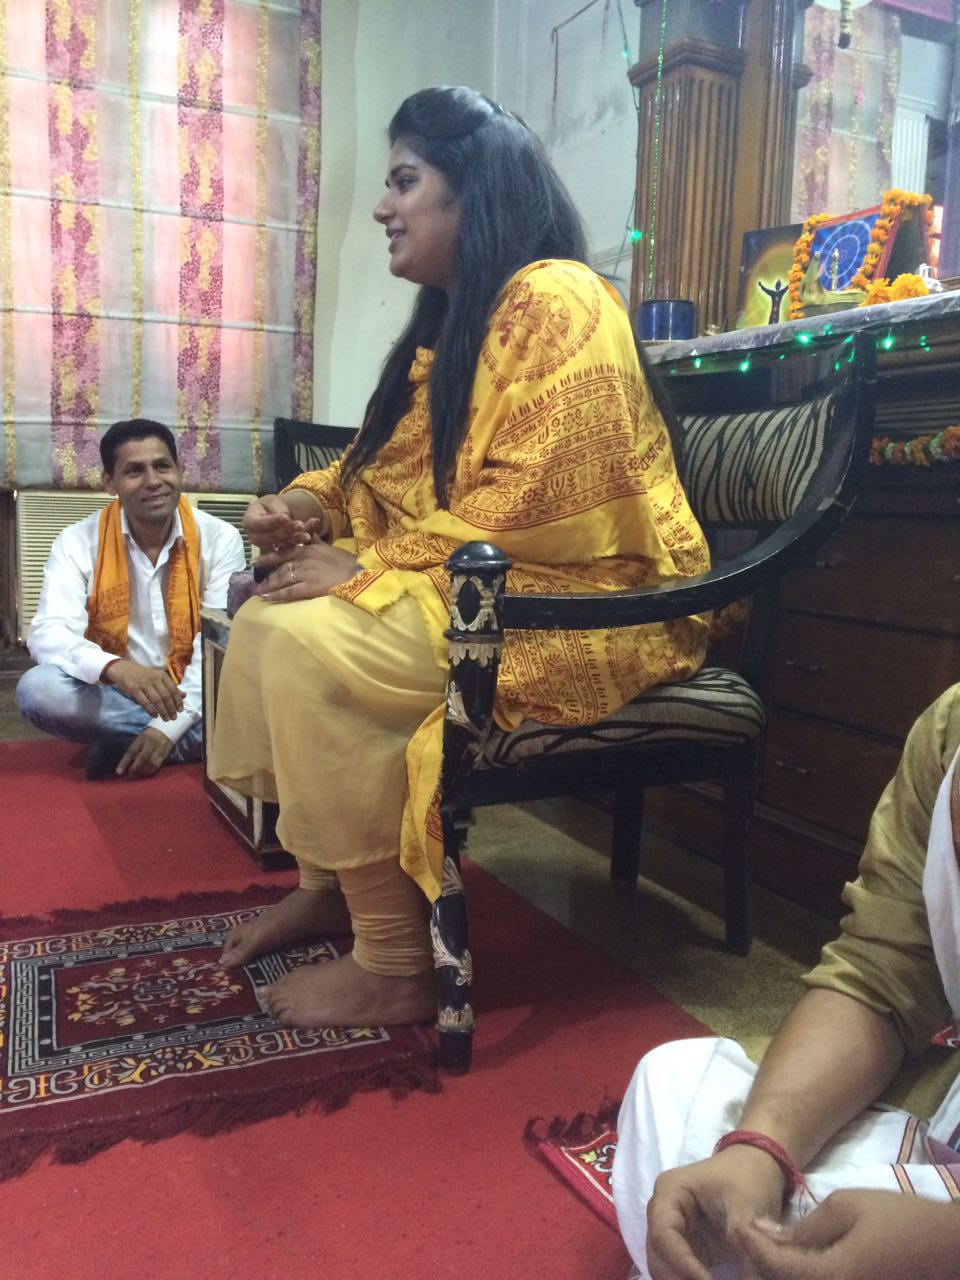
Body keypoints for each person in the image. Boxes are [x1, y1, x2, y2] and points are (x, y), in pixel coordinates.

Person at [207, 85, 710, 1031]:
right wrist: (302, 509)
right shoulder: (452, 323)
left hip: (575, 601)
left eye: (404, 181)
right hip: (479, 582)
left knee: (316, 645)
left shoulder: (558, 296)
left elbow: (543, 502)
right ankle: (331, 887)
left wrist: (367, 572)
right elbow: (374, 473)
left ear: (472, 189)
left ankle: (396, 964)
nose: (381, 207)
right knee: (272, 617)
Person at [611, 683, 960, 1280]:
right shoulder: (950, 728)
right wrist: (761, 1148)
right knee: (671, 1086)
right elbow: (882, 972)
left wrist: (942, 1250)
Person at [17, 419, 245, 780]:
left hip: (197, 690)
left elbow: (217, 644)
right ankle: (197, 742)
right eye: (134, 471)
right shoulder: (77, 542)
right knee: (38, 690)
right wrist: (115, 668)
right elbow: (48, 631)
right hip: (121, 692)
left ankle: (147, 742)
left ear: (179, 470)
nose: (153, 481)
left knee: (258, 689)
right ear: (110, 482)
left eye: (162, 466)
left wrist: (166, 727)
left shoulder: (220, 538)